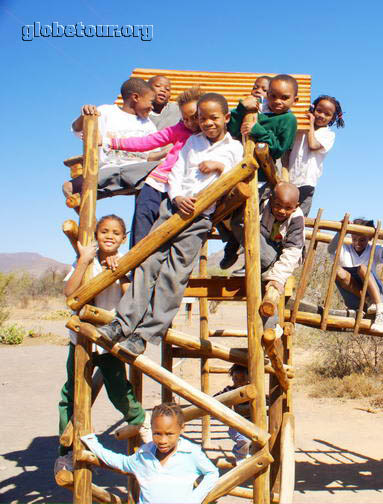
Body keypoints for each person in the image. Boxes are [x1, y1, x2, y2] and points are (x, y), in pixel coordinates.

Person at [95, 93, 244, 356]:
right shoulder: (193, 142)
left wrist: (220, 167)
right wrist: (176, 196)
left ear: (227, 118)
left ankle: (144, 335)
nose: (208, 123)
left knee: (174, 275)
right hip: (172, 209)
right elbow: (175, 171)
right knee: (148, 263)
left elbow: (233, 176)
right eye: (202, 118)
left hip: (199, 218)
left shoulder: (233, 148)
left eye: (214, 118)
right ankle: (122, 323)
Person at [55, 215, 148, 473]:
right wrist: (84, 261)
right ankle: (66, 450)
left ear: (123, 238)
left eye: (116, 233)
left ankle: (139, 419)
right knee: (71, 394)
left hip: (108, 337)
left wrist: (119, 272)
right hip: (82, 338)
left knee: (117, 386)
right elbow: (69, 293)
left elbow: (130, 297)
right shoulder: (84, 259)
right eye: (104, 231)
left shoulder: (124, 262)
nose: (109, 236)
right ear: (96, 234)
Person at [106, 87, 204, 247]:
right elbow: (148, 141)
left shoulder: (210, 135)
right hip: (158, 183)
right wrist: (115, 143)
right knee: (142, 224)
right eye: (186, 119)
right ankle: (135, 267)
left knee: (168, 233)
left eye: (194, 117)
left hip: (182, 189)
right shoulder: (178, 129)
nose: (190, 123)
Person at [219, 75, 299, 270]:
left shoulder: (288, 119)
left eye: (284, 97)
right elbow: (231, 129)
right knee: (219, 209)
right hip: (239, 173)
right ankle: (233, 242)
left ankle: (266, 258)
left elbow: (280, 148)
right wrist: (241, 109)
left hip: (262, 178)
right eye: (273, 96)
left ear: (294, 100)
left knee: (243, 218)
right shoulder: (256, 112)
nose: (278, 101)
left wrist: (258, 130)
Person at [81, 402, 219, 504]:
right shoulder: (144, 454)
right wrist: (92, 442)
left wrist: (195, 499)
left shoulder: (191, 452)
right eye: (157, 434)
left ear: (181, 429)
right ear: (151, 429)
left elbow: (212, 473)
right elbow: (120, 461)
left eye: (169, 434)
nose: (163, 440)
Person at [62, 78, 159, 200]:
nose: (152, 107)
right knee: (74, 185)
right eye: (150, 102)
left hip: (138, 173)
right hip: (108, 170)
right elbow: (77, 129)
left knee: (161, 172)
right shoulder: (107, 112)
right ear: (135, 97)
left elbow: (151, 155)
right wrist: (84, 116)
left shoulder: (149, 124)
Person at [231, 183, 305, 300]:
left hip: (281, 257)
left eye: (288, 208)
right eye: (277, 205)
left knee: (269, 286)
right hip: (265, 249)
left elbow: (292, 251)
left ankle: (267, 270)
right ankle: (235, 253)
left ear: (296, 206)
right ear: (271, 200)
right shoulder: (262, 205)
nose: (281, 210)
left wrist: (278, 277)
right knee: (245, 225)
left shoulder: (297, 218)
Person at [328, 218, 383, 332]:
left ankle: (381, 311)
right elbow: (331, 249)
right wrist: (340, 231)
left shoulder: (373, 249)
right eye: (354, 239)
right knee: (337, 271)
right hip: (356, 300)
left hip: (376, 298)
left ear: (370, 238)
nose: (357, 243)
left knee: (363, 268)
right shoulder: (345, 249)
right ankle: (367, 300)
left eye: (362, 240)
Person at [288, 95, 345, 216]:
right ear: (313, 109)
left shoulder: (328, 135)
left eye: (327, 114)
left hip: (306, 182)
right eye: (319, 110)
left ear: (333, 118)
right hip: (289, 178)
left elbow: (313, 145)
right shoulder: (300, 129)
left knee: (298, 217)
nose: (321, 115)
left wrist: (310, 124)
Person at [213, 364, 253, 461]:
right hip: (236, 425)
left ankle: (246, 454)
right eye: (235, 378)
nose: (238, 381)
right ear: (232, 378)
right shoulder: (230, 390)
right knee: (245, 441)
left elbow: (266, 399)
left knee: (255, 442)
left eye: (242, 378)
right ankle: (239, 456)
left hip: (251, 424)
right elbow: (215, 398)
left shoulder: (251, 390)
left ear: (248, 378)